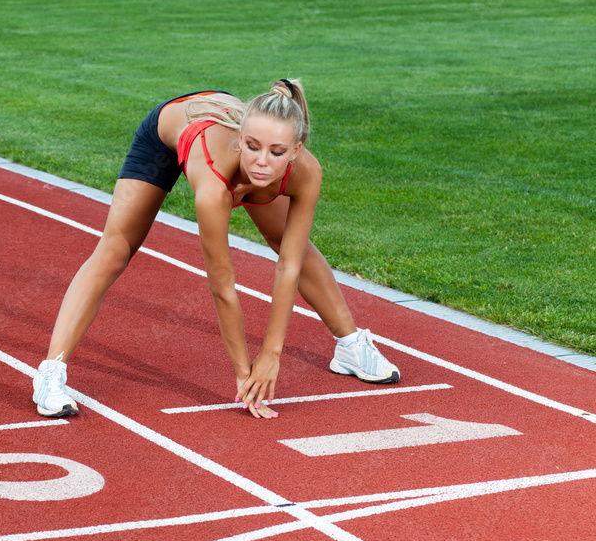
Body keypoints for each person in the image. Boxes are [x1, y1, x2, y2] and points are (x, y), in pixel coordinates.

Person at [32, 80, 399, 419]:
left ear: (296, 150)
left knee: (289, 243)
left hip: (227, 134)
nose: (262, 160)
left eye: (276, 151)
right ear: (241, 139)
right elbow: (222, 286)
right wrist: (245, 374)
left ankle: (350, 346)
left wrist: (271, 355)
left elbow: (289, 264)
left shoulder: (305, 171)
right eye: (253, 146)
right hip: (167, 136)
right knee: (115, 251)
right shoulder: (213, 188)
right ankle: (51, 372)